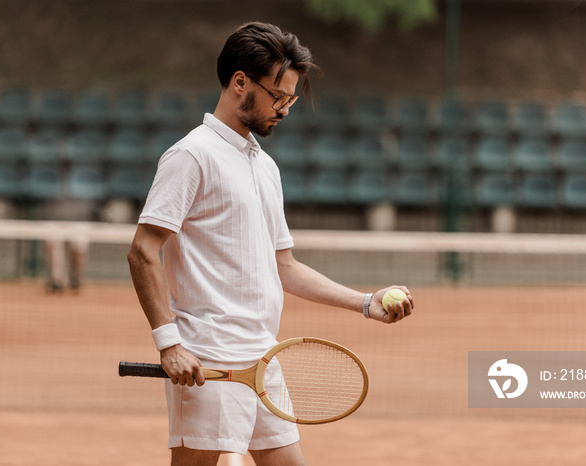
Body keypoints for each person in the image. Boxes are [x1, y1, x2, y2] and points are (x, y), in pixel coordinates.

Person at [127, 22, 414, 466]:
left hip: (264, 357)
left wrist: (365, 302)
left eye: (290, 99)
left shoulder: (265, 167)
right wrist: (169, 343)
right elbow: (142, 250)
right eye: (277, 96)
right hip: (208, 359)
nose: (284, 109)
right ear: (240, 81)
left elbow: (287, 267)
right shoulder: (191, 156)